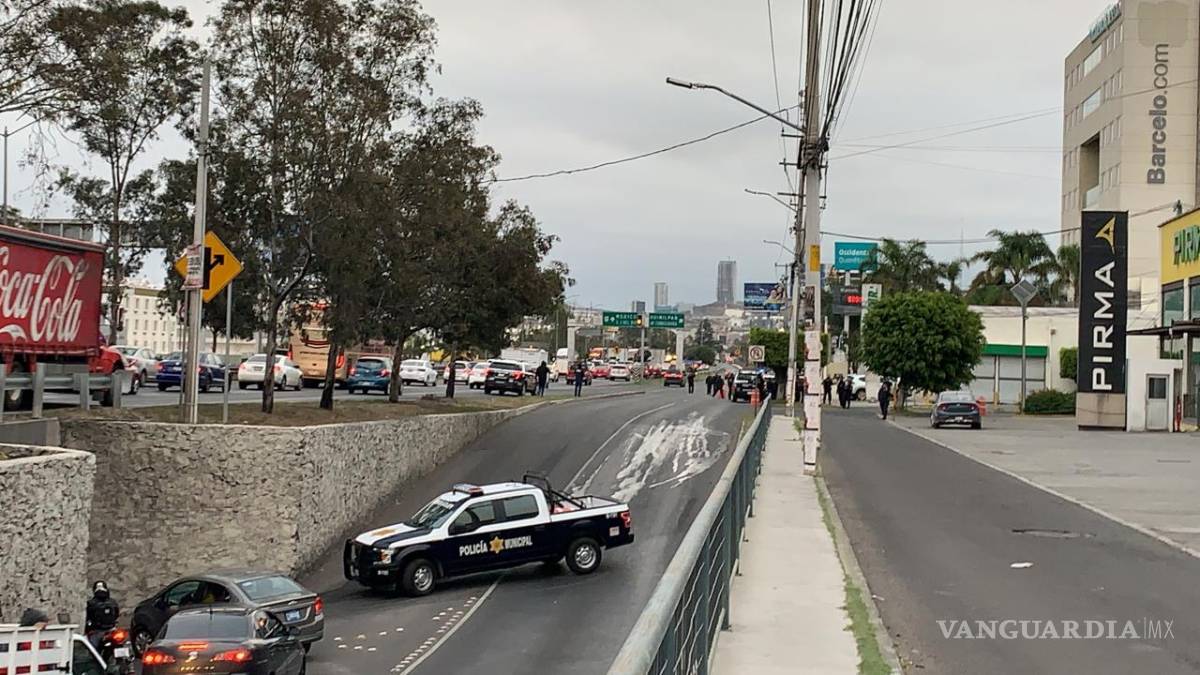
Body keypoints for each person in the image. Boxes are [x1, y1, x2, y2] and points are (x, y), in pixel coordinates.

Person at [85, 580, 119, 649]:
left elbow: (89, 617)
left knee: (92, 651)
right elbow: (117, 614)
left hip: (98, 631)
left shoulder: (91, 603)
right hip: (112, 629)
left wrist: (87, 629)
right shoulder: (113, 601)